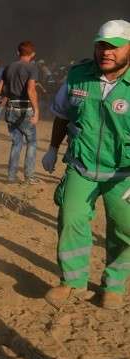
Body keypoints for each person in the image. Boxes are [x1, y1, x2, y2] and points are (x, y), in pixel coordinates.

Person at [42, 19, 130, 310]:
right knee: (71, 220)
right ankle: (72, 281)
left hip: (123, 173)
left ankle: (113, 285)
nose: (107, 52)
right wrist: (53, 148)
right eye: (102, 45)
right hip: (82, 166)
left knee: (124, 229)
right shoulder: (78, 76)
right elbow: (62, 115)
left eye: (115, 47)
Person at [0, 41, 40, 184]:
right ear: (33, 54)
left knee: (16, 143)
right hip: (25, 109)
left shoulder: (9, 67)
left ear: (18, 52)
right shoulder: (32, 68)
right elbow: (31, 90)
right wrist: (37, 111)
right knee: (32, 142)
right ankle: (29, 176)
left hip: (10, 109)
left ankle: (11, 176)